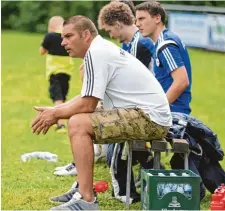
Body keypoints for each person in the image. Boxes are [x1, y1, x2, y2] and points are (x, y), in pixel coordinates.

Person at [31, 15, 172, 210]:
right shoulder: (98, 50)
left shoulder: (97, 53)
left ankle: (86, 200)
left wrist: (55, 115)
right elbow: (86, 96)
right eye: (63, 37)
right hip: (144, 113)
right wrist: (56, 110)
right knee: (76, 119)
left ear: (86, 34)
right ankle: (82, 188)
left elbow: (87, 104)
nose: (63, 42)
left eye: (69, 36)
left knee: (78, 123)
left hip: (150, 118)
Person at [98, 1, 155, 203]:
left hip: (146, 110)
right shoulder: (130, 44)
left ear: (118, 24)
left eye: (109, 29)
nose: (110, 35)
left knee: (115, 138)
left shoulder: (141, 45)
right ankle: (150, 179)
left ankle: (124, 192)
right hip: (140, 107)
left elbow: (132, 84)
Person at [135, 1, 192, 114]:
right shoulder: (163, 41)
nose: (137, 24)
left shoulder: (165, 44)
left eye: (141, 19)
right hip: (171, 111)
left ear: (157, 18)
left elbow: (182, 81)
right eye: (136, 20)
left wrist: (159, 108)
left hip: (173, 113)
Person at [40, 16, 74, 133]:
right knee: (63, 97)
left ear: (51, 27)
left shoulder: (50, 36)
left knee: (57, 98)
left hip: (54, 72)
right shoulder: (68, 37)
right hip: (67, 72)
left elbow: (42, 51)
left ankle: (60, 125)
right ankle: (64, 121)